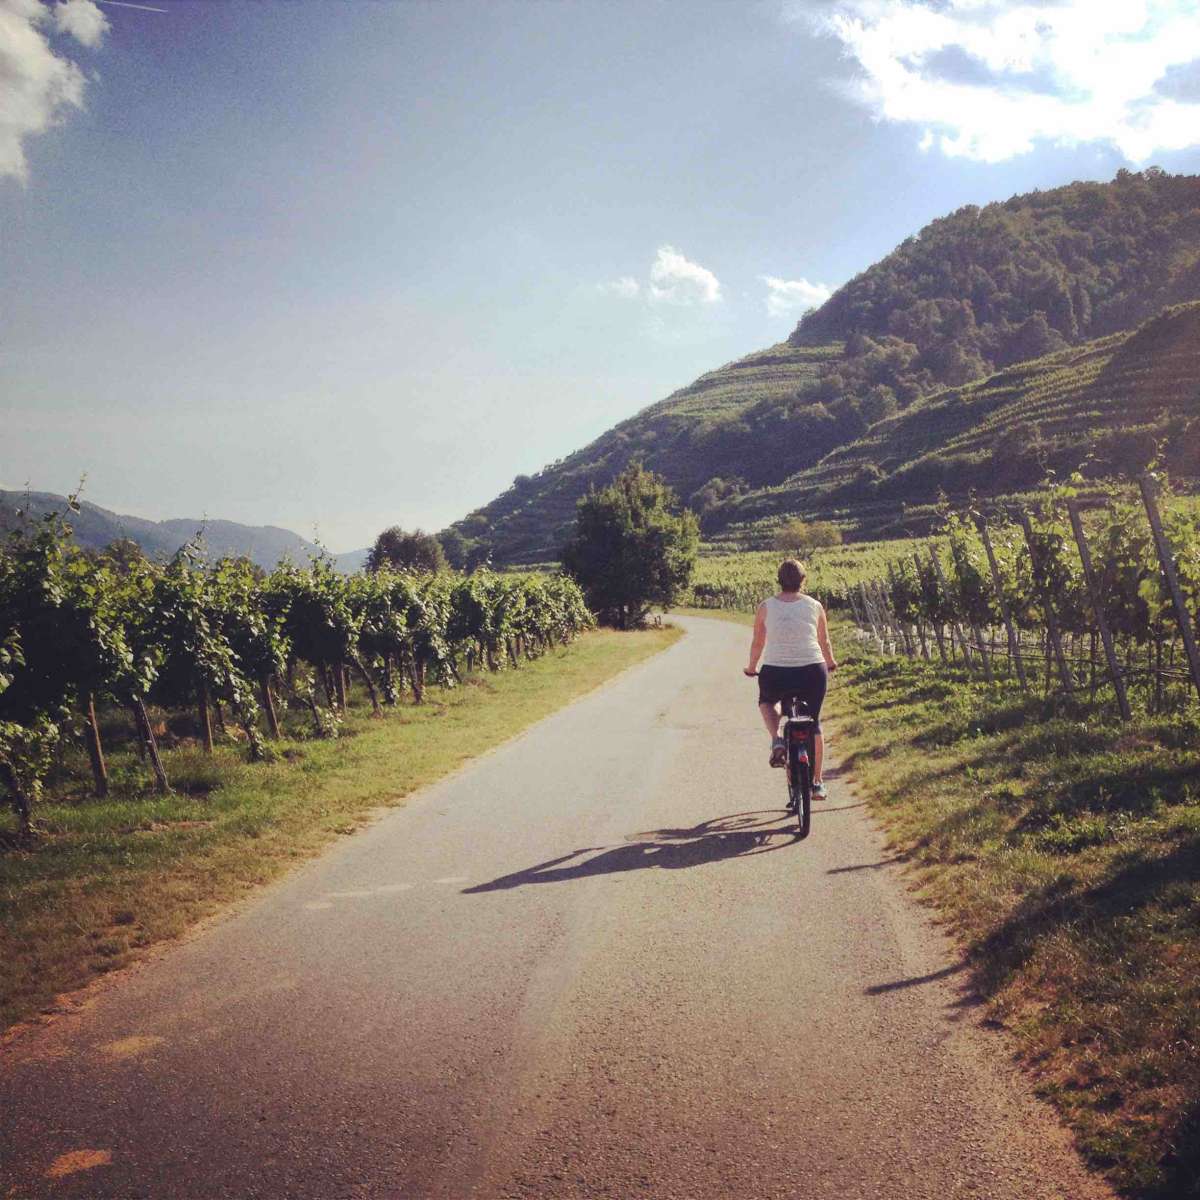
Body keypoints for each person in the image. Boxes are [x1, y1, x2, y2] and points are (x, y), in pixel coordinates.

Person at [743, 559, 838, 798]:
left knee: (767, 702)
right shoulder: (815, 605)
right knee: (814, 723)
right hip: (812, 671)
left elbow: (758, 641)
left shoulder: (766, 606)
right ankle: (817, 783)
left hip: (776, 670)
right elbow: (823, 641)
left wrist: (752, 667)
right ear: (803, 580)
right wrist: (830, 662)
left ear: (779, 580)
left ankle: (776, 739)